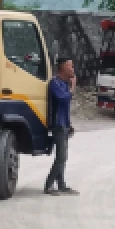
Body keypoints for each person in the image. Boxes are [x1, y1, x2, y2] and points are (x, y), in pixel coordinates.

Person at [45, 57, 79, 196]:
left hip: (64, 124)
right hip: (57, 125)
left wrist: (69, 124)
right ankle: (48, 185)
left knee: (63, 157)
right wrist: (72, 87)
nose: (73, 69)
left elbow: (65, 108)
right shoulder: (55, 83)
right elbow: (63, 99)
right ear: (63, 68)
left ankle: (61, 184)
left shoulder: (63, 84)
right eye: (70, 66)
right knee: (61, 157)